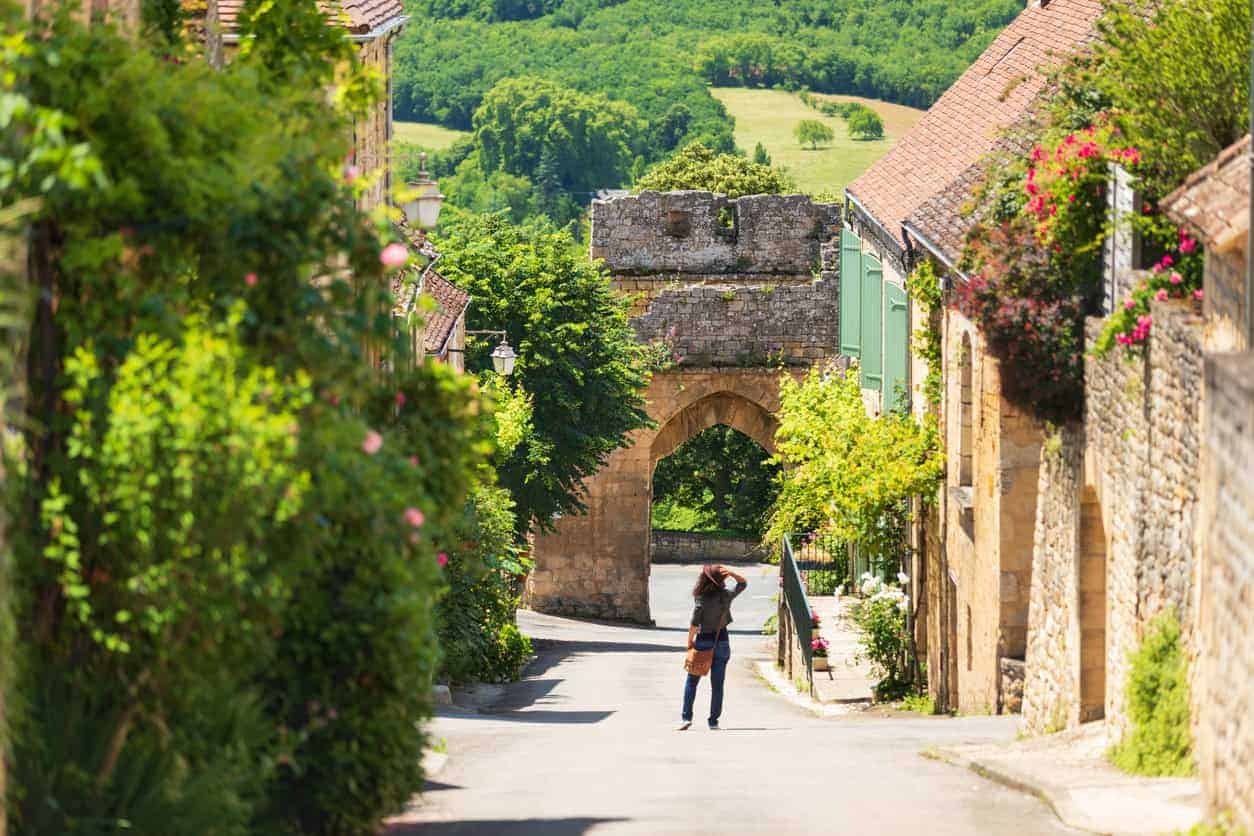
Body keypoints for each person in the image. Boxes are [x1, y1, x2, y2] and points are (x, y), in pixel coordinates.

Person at [678, 563, 748, 731]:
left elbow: (695, 623)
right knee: (717, 685)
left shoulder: (701, 598)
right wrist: (732, 573)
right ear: (721, 579)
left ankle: (686, 718)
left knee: (691, 682)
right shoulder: (726, 595)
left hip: (703, 642)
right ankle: (713, 721)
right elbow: (743, 583)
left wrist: (689, 642)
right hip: (722, 641)